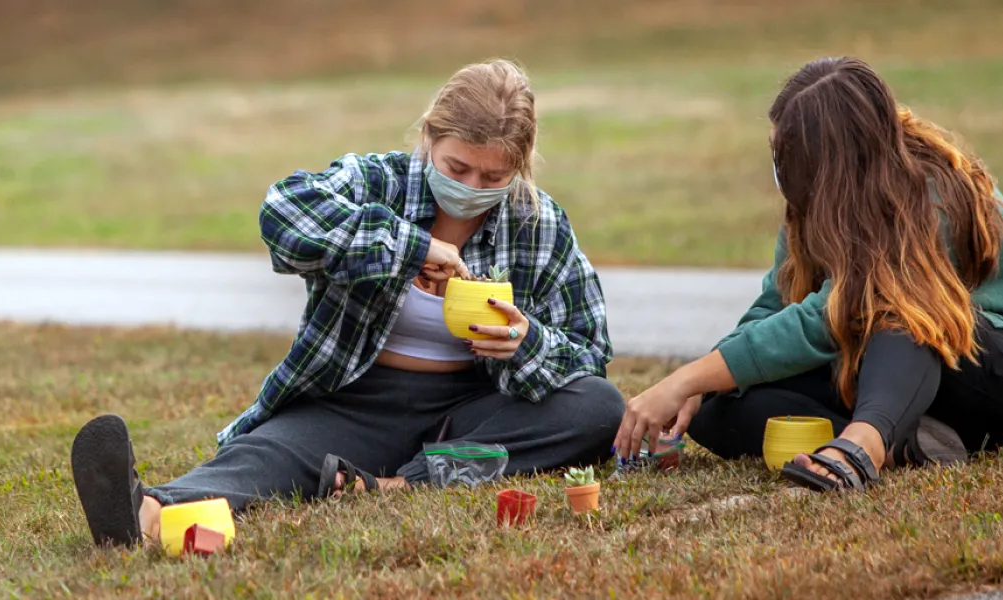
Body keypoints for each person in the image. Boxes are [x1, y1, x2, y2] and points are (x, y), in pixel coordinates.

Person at [70, 59, 624, 547]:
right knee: (273, 452)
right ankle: (143, 512)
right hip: (354, 401)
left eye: (493, 176)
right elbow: (282, 215)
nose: (472, 184)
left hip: (474, 411)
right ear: (430, 140)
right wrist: (411, 247)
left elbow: (589, 352)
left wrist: (526, 342)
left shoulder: (539, 222)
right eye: (457, 169)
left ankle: (396, 484)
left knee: (598, 407)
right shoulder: (374, 182)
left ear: (519, 169)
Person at [613, 56, 1003, 492]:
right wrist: (703, 385)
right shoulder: (816, 210)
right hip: (920, 379)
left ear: (825, 164)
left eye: (783, 152)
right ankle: (907, 443)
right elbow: (775, 307)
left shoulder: (935, 197)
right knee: (718, 407)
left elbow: (835, 315)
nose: (777, 165)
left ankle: (865, 444)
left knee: (897, 310)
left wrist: (684, 377)